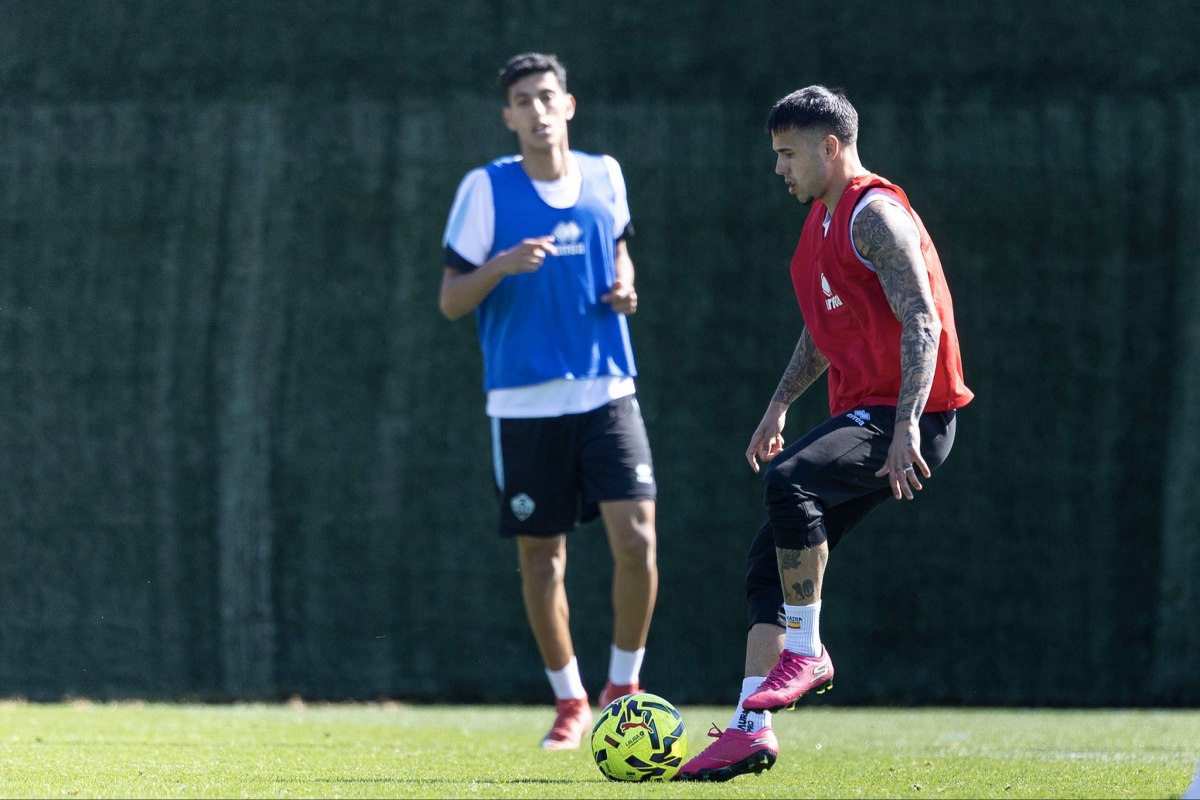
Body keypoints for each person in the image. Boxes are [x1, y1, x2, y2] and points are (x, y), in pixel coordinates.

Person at [677, 86, 974, 781]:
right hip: (868, 414)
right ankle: (751, 729)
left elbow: (924, 320)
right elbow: (822, 327)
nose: (779, 168)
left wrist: (904, 429)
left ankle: (808, 653)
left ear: (829, 147)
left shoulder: (875, 215)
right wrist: (778, 404)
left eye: (787, 154)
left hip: (914, 417)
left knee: (791, 483)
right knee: (765, 562)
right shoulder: (821, 221)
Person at [438, 52, 658, 750]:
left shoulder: (606, 175)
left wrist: (626, 286)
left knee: (639, 540)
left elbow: (619, 252)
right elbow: (450, 300)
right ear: (508, 117)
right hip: (524, 404)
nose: (537, 110)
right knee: (543, 559)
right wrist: (502, 265)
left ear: (569, 104)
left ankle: (623, 688)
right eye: (523, 101)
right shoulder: (485, 189)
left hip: (607, 390)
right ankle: (569, 702)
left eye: (547, 96)